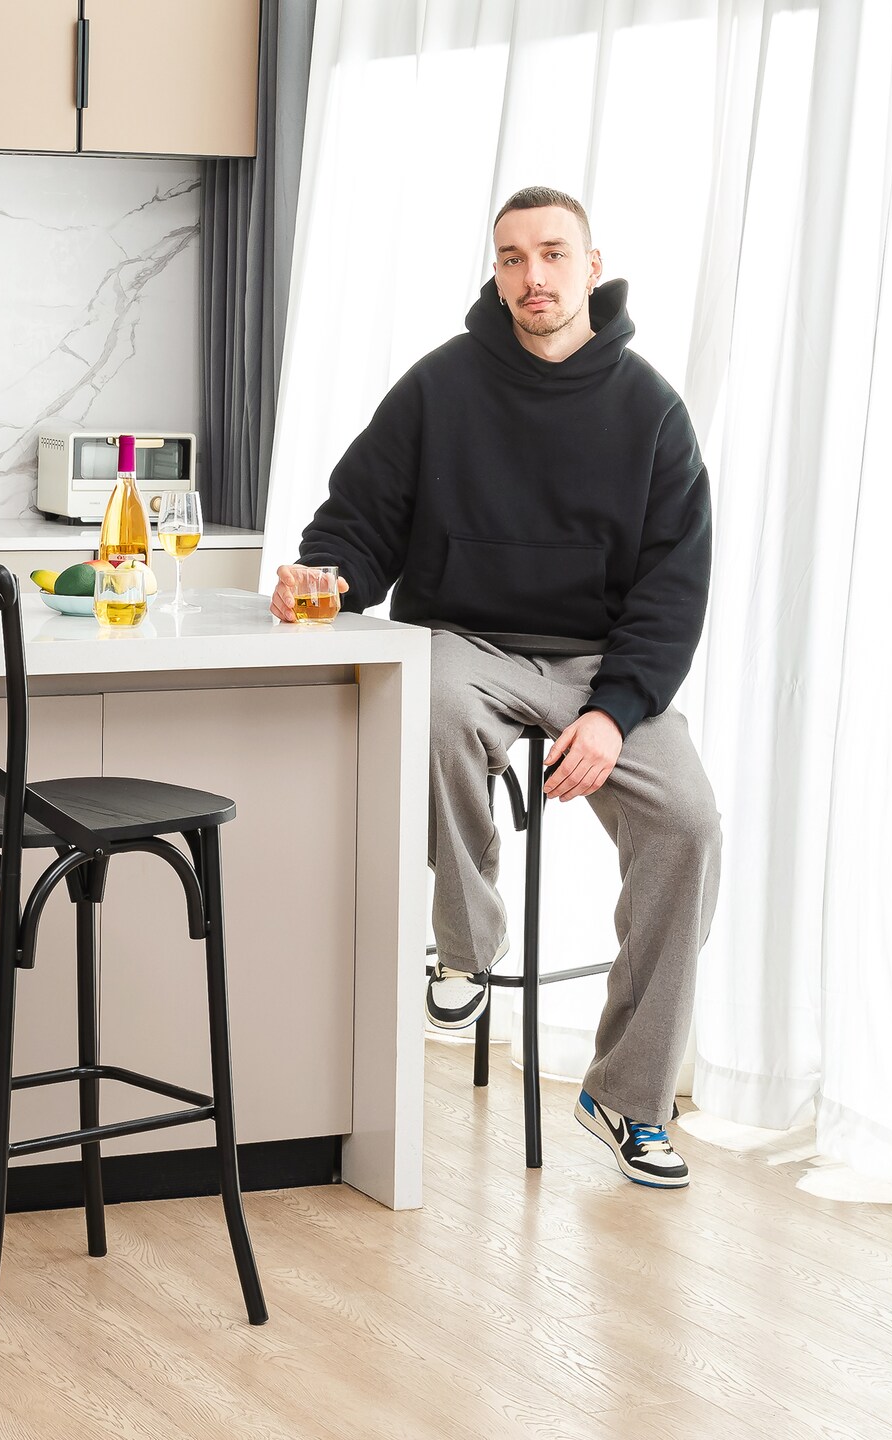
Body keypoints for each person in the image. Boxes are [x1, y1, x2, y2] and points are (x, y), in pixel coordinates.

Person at [270, 186, 721, 1188]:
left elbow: (674, 589)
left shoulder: (652, 410)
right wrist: (325, 575)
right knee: (424, 694)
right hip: (466, 642)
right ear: (497, 271)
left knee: (690, 824)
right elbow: (359, 521)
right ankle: (466, 947)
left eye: (553, 254)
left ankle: (629, 1095)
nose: (533, 277)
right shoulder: (440, 386)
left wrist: (613, 712)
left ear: (592, 267)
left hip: (601, 663)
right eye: (512, 258)